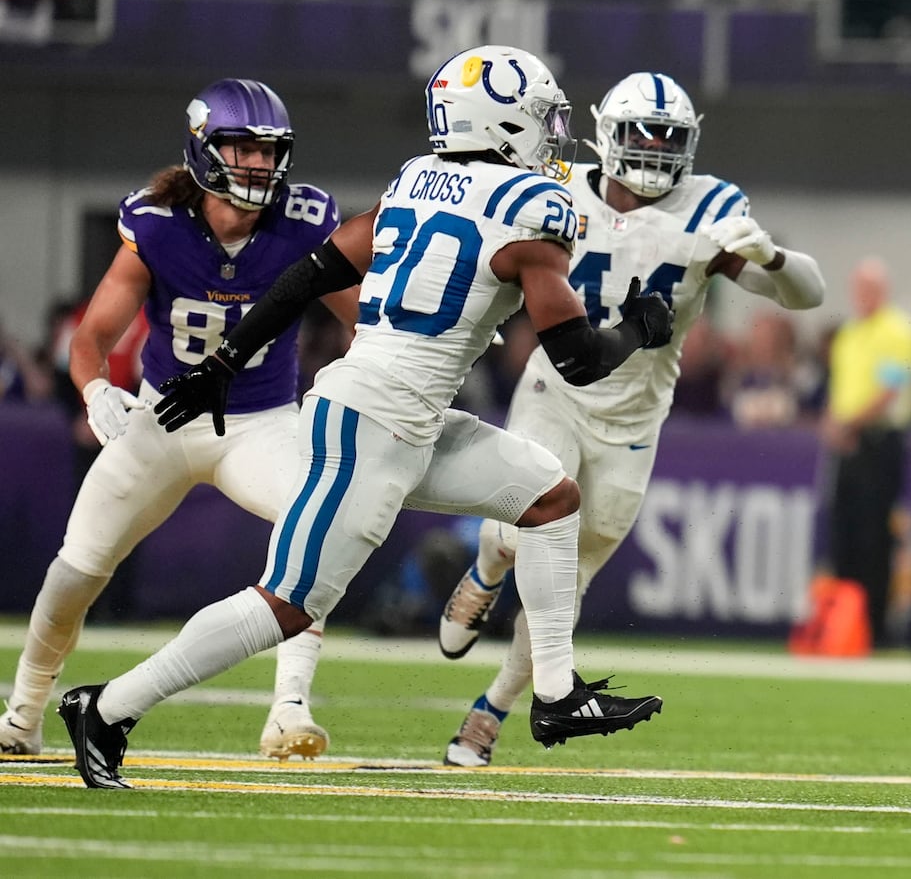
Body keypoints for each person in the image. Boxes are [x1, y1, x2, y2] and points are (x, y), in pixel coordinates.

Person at [56, 45, 674, 790]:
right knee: (285, 604)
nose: (552, 134)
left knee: (549, 495)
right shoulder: (530, 210)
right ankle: (108, 707)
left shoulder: (418, 178)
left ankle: (554, 694)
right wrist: (639, 326)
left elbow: (313, 270)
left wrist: (224, 363)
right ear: (505, 122)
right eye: (543, 119)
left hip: (409, 418)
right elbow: (577, 357)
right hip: (368, 424)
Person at [433, 70, 825, 767]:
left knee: (568, 586)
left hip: (636, 418)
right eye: (640, 131)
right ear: (605, 134)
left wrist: (770, 255)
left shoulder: (710, 209)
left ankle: (492, 702)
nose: (652, 147)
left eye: (667, 137)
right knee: (522, 528)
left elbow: (805, 294)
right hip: (554, 391)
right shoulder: (556, 187)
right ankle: (488, 567)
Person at [0, 79, 347, 760]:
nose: (256, 164)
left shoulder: (304, 221)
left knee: (318, 530)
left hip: (261, 421)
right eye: (241, 148)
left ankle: (289, 707)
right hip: (163, 419)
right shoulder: (157, 221)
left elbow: (364, 323)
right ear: (204, 149)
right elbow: (91, 334)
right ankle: (22, 713)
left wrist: (356, 382)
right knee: (74, 573)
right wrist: (94, 386)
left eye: (268, 150)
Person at [823, 257, 911, 647]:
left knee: (875, 539)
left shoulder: (898, 330)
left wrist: (848, 424)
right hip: (849, 444)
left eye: (870, 288)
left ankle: (875, 628)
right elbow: (841, 389)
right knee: (844, 535)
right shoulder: (849, 333)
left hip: (879, 442)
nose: (863, 296)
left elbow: (891, 390)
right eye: (859, 288)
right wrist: (835, 425)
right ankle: (844, 626)